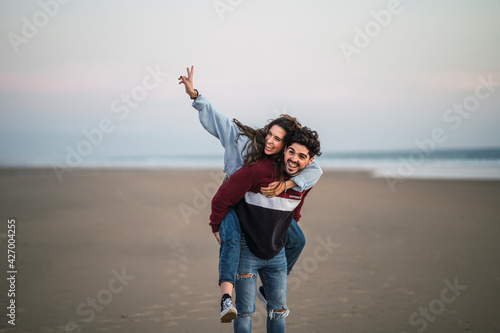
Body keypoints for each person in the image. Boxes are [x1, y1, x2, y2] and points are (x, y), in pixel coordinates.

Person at [178, 66, 323, 322]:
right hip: (236, 198)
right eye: (270, 134)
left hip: (266, 205)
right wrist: (195, 96)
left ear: (286, 145)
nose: (270, 142)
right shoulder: (244, 141)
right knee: (231, 239)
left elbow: (315, 171)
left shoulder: (283, 164)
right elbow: (219, 120)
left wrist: (287, 192)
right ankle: (226, 298)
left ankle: (268, 288)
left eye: (278, 140)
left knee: (297, 240)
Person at [210, 127, 322, 332]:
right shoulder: (258, 170)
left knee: (278, 311)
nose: (294, 159)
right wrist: (216, 225)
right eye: (291, 152)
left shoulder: (305, 181)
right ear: (285, 149)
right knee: (244, 313)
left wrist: (289, 216)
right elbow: (223, 197)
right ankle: (225, 297)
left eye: (302, 156)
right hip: (247, 251)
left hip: (277, 255)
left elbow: (295, 208)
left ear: (310, 161)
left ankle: (265, 291)